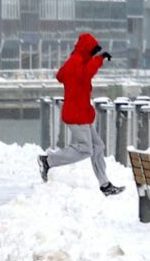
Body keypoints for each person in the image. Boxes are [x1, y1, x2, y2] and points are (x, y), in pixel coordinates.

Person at [43, 31, 120, 195]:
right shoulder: (76, 62)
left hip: (80, 113)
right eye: (92, 51)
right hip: (76, 114)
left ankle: (105, 184)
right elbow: (85, 75)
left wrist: (95, 59)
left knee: (98, 145)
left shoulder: (78, 61)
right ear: (86, 49)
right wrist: (99, 60)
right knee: (86, 149)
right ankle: (48, 161)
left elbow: (61, 75)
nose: (94, 54)